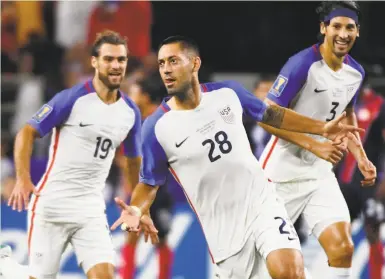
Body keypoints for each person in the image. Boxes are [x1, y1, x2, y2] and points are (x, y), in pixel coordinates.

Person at [109, 35, 362, 279]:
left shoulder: (227, 93)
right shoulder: (156, 126)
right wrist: (135, 207)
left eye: (174, 61)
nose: (166, 69)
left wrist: (320, 127)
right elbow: (148, 183)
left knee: (289, 270)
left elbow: (271, 115)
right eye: (162, 63)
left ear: (195, 63)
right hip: (223, 233)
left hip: (261, 204)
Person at [7, 30, 142, 279]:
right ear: (94, 62)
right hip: (52, 207)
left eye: (121, 60)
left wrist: (136, 206)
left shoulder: (130, 112)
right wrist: (23, 179)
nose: (115, 66)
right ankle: (8, 270)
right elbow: (26, 134)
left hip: (90, 209)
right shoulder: (72, 98)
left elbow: (134, 162)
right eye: (108, 59)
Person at [259, 2, 377, 278]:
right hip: (279, 176)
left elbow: (346, 115)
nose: (343, 33)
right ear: (324, 28)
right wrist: (314, 143)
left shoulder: (356, 73)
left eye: (350, 27)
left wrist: (361, 157)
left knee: (342, 249)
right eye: (336, 26)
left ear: (358, 32)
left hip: (319, 175)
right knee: (272, 268)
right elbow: (266, 114)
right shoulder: (302, 64)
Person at [118, 75, 174, 279]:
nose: (130, 96)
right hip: (138, 190)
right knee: (132, 235)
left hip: (157, 190)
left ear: (145, 96)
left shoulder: (159, 121)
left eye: (134, 92)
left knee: (158, 238)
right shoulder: (137, 122)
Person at [337, 79, 385, 279]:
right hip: (342, 180)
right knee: (337, 230)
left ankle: (375, 275)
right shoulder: (340, 105)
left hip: (370, 182)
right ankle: (340, 274)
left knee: (372, 230)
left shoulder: (380, 105)